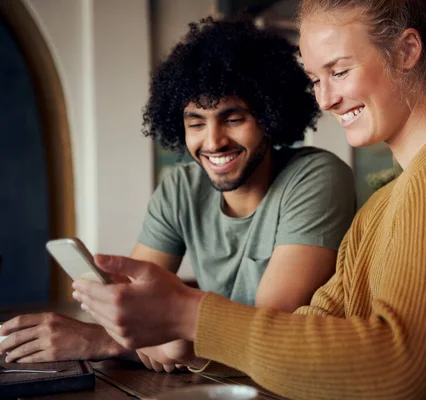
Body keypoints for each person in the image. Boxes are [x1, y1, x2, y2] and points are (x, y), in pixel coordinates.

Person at [70, 0, 426, 398]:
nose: (325, 99)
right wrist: (194, 344)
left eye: (338, 71)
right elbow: (316, 330)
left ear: (406, 51)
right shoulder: (385, 204)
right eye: (315, 79)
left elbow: (395, 369)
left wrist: (191, 315)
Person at [0, 19, 356, 372]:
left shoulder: (318, 177)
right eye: (196, 123)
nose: (213, 141)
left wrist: (101, 342)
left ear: (270, 118)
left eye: (233, 119)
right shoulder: (182, 188)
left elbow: (266, 331)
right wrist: (134, 329)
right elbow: (130, 304)